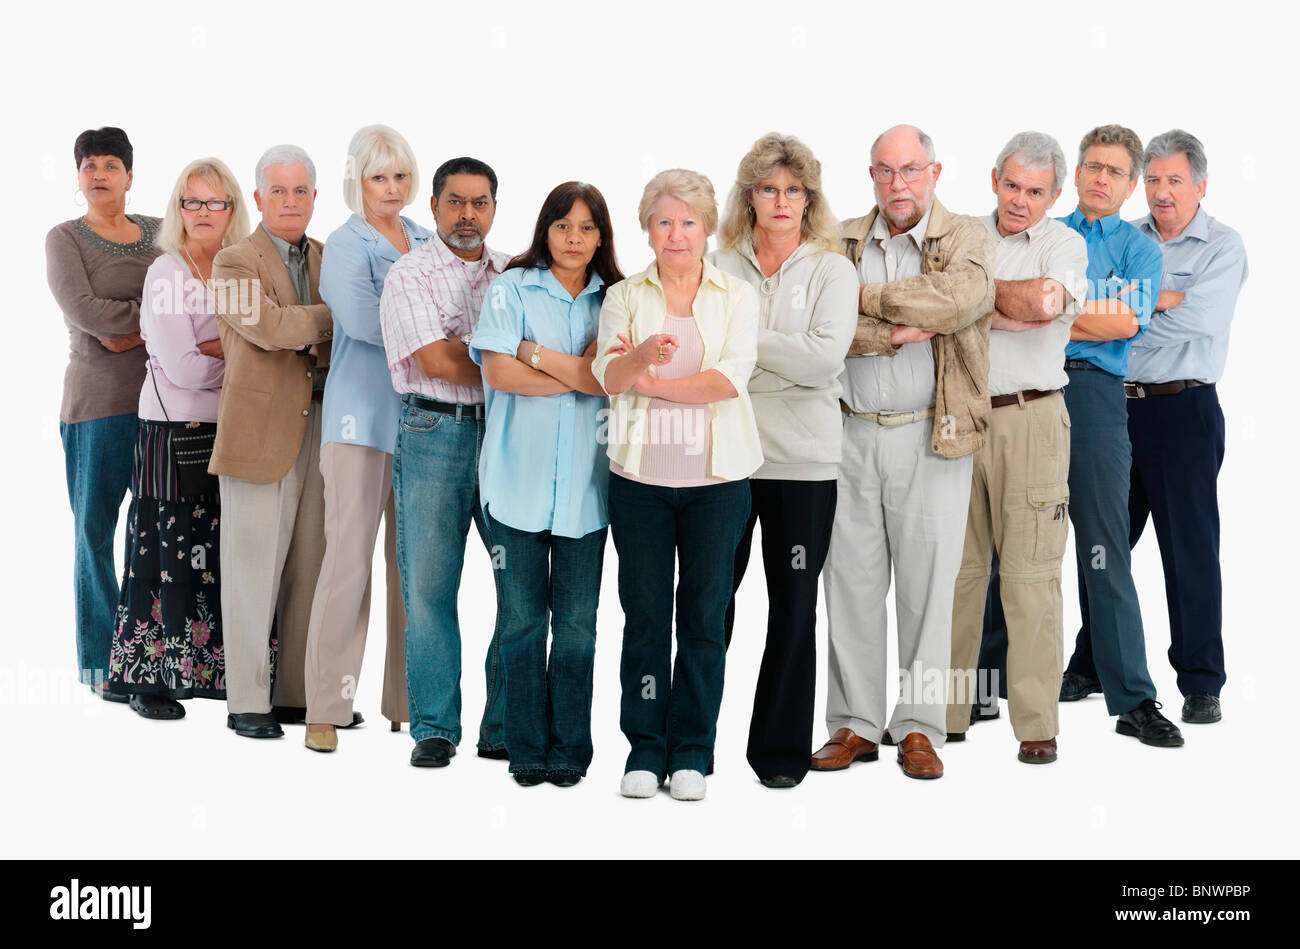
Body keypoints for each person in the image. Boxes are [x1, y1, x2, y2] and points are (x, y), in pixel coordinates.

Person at [811, 125, 993, 781]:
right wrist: (896, 327)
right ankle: (855, 724)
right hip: (848, 432)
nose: (899, 184)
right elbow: (822, 325)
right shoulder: (842, 238)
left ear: (935, 171)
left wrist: (865, 303)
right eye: (886, 171)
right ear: (871, 176)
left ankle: (917, 725)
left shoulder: (965, 235)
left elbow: (963, 298)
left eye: (911, 169)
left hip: (932, 433)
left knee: (926, 586)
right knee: (852, 583)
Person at [592, 168, 761, 802]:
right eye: (664, 221)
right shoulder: (625, 296)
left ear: (707, 226)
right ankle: (644, 748)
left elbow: (727, 380)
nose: (677, 233)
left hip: (718, 483)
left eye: (688, 221)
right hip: (640, 479)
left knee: (702, 619)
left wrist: (653, 382)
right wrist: (637, 358)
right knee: (644, 618)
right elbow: (607, 373)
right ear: (648, 229)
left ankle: (692, 749)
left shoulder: (736, 295)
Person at [711, 133, 857, 788]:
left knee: (794, 609)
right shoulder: (719, 266)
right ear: (750, 196)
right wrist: (778, 354)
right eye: (768, 188)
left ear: (809, 199)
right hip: (728, 459)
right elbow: (708, 356)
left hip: (804, 468)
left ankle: (778, 754)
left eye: (793, 189)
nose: (781, 200)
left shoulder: (833, 270)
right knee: (711, 602)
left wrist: (745, 346)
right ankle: (691, 744)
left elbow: (824, 359)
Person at [945, 132, 1093, 762]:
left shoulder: (1065, 243)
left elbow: (1047, 301)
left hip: (1032, 419)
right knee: (955, 572)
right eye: (1012, 186)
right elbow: (955, 306)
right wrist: (1013, 304)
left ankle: (1036, 726)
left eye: (1036, 192)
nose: (1020, 201)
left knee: (1031, 575)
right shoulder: (962, 236)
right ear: (994, 179)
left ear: (1054, 195)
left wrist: (975, 302)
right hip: (958, 414)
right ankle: (943, 714)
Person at [470, 181, 624, 787]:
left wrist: (537, 354)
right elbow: (498, 370)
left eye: (587, 228)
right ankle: (525, 747)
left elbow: (609, 380)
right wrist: (578, 373)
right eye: (563, 226)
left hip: (588, 493)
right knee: (521, 623)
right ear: (546, 230)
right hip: (515, 485)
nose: (574, 238)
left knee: (579, 629)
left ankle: (571, 751)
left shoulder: (615, 300)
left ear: (601, 237)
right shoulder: (511, 288)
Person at [303, 126, 431, 752]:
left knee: (414, 570)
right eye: (379, 177)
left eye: (401, 176)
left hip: (423, 424)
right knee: (347, 562)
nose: (391, 188)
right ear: (358, 180)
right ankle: (327, 706)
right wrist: (425, 327)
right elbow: (359, 321)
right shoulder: (346, 247)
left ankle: (408, 705)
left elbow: (463, 312)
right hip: (359, 421)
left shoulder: (429, 240)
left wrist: (423, 323)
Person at [107, 158, 249, 719]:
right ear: (178, 209)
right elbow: (183, 368)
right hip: (170, 431)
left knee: (215, 555)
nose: (204, 213)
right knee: (162, 553)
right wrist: (231, 357)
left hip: (231, 429)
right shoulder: (167, 272)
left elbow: (252, 348)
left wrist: (222, 353)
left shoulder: (239, 268)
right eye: (193, 202)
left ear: (232, 209)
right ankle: (149, 682)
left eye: (216, 202)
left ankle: (210, 674)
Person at [379, 157, 509, 769]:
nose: (467, 215)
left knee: (522, 586)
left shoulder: (511, 273)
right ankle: (434, 726)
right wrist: (506, 362)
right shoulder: (410, 274)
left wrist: (493, 359)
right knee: (430, 589)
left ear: (492, 209)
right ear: (433, 208)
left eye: (479, 203)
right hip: (432, 430)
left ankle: (503, 724)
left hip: (506, 437)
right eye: (455, 202)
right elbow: (436, 361)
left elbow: (470, 354)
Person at [1055, 126, 1181, 747]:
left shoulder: (1140, 250)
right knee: (997, 541)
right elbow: (992, 312)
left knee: (1105, 545)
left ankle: (1132, 697)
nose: (1101, 178)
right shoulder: (1038, 234)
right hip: (1022, 392)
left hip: (1094, 396)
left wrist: (1043, 306)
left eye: (1115, 171)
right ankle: (985, 689)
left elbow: (1123, 321)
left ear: (1132, 186)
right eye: (1092, 166)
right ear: (1076, 173)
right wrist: (1083, 307)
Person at [210, 145, 333, 740]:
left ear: (315, 197)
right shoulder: (232, 262)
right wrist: (321, 320)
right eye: (278, 191)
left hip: (322, 429)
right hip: (257, 434)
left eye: (301, 190)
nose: (291, 201)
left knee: (310, 568)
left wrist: (303, 325)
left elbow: (339, 339)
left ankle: (295, 695)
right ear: (258, 199)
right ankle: (246, 702)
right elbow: (267, 326)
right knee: (251, 570)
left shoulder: (329, 257)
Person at [1124, 130, 1247, 725]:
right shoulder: (1128, 239)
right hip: (1116, 409)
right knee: (1105, 545)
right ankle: (1095, 662)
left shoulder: (1222, 247)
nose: (1161, 192)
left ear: (1200, 184)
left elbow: (1200, 320)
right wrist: (1159, 300)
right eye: (1152, 180)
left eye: (1174, 180)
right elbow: (1089, 311)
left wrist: (1129, 314)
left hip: (1183, 411)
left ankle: (1201, 680)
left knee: (1188, 549)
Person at [47, 127, 161, 701]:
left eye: (110, 165)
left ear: (130, 175)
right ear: (78, 176)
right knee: (95, 530)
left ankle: (145, 660)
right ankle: (101, 664)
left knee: (152, 534)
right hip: (97, 406)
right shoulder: (65, 238)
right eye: (88, 165)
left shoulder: (163, 232)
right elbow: (87, 312)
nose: (98, 175)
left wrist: (134, 325)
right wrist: (152, 322)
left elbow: (191, 300)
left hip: (166, 404)